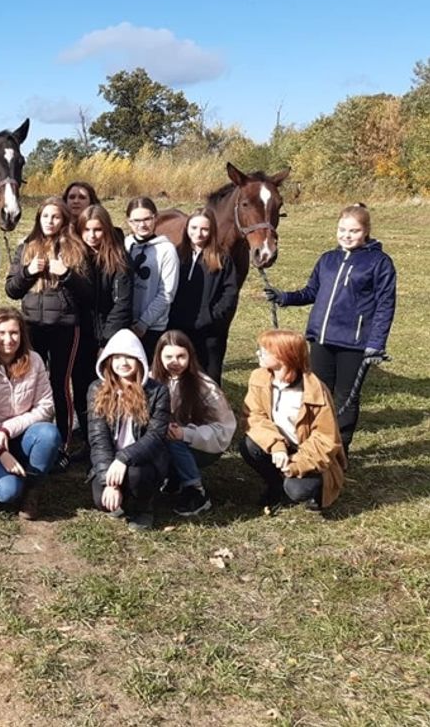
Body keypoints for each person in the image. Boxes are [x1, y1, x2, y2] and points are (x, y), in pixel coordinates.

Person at [264, 204, 397, 451]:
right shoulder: (328, 259)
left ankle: (339, 449)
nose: (347, 235)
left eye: (354, 231)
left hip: (354, 344)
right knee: (317, 393)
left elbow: (385, 305)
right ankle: (314, 442)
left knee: (345, 398)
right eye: (342, 230)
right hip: (322, 340)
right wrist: (285, 298)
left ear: (366, 231)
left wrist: (376, 344)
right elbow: (312, 291)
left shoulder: (379, 263)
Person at [5, 196, 92, 452]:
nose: (50, 221)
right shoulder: (26, 247)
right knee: (28, 380)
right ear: (38, 218)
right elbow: (11, 290)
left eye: (55, 217)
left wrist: (66, 274)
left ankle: (63, 443)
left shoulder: (76, 249)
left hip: (65, 326)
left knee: (59, 382)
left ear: (63, 220)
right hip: (32, 326)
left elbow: (88, 294)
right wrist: (27, 272)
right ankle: (28, 436)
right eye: (45, 216)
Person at [0, 307, 62, 520]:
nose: (8, 339)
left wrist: (8, 428)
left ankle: (32, 489)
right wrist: (0, 452)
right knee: (8, 491)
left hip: (23, 436)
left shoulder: (34, 361)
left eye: (14, 333)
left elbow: (46, 407)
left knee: (49, 434)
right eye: (2, 333)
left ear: (22, 334)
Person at [240, 329, 347, 511]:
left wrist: (297, 465)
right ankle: (275, 486)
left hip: (308, 451)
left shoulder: (315, 391)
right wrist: (276, 446)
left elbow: (326, 439)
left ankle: (317, 486)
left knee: (296, 490)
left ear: (283, 356)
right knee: (248, 446)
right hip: (282, 444)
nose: (258, 354)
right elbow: (255, 416)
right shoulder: (258, 377)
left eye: (264, 351)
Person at [87, 328, 171, 531]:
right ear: (108, 360)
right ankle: (122, 495)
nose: (123, 363)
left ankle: (144, 508)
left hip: (143, 461)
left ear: (140, 360)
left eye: (129, 357)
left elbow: (155, 436)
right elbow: (99, 438)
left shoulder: (157, 391)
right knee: (102, 500)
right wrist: (109, 480)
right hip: (111, 459)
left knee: (136, 475)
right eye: (117, 357)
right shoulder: (96, 389)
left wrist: (124, 458)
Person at [150, 330, 236, 516]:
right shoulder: (150, 381)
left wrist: (187, 434)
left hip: (201, 445)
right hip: (160, 441)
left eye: (181, 356)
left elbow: (224, 428)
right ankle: (172, 477)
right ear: (159, 357)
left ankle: (195, 491)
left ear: (190, 356)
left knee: (173, 436)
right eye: (168, 356)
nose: (174, 362)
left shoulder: (205, 386)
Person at [75, 204, 133, 449]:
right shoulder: (76, 256)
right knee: (80, 385)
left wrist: (106, 343)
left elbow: (123, 304)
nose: (92, 235)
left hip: (108, 337)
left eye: (97, 230)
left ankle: (108, 441)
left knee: (106, 389)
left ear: (106, 230)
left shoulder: (118, 257)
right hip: (80, 332)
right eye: (86, 230)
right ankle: (88, 438)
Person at [168, 208, 238, 383]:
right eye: (193, 228)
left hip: (208, 332)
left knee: (208, 380)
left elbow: (229, 293)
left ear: (211, 230)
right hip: (178, 326)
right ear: (187, 228)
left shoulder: (222, 258)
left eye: (204, 229)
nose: (198, 233)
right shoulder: (176, 254)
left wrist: (212, 317)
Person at [124, 197, 179, 362]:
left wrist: (143, 324)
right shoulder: (126, 244)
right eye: (136, 220)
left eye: (147, 219)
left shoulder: (166, 250)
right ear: (128, 221)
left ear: (155, 218)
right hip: (126, 322)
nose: (142, 225)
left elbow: (167, 293)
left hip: (152, 327)